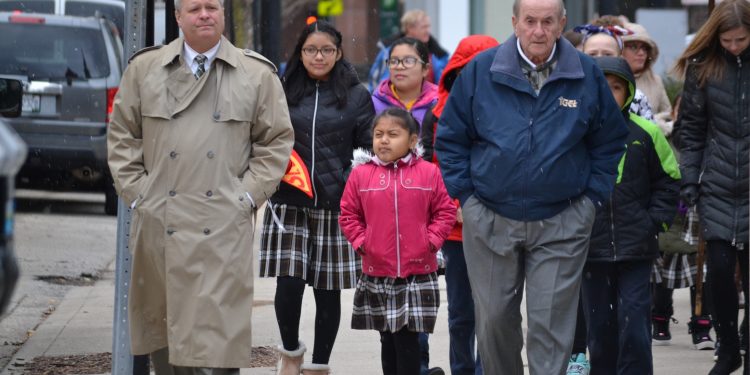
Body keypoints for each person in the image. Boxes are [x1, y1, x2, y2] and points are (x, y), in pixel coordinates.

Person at [433, 0, 629, 372]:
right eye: (530, 21)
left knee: (550, 326)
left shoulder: (586, 74)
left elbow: (609, 142)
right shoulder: (480, 71)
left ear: (562, 23)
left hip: (563, 219)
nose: (538, 31)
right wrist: (467, 197)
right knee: (492, 322)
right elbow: (451, 138)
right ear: (515, 22)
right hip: (489, 216)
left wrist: (590, 202)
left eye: (547, 21)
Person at [106, 0, 295, 371]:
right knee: (168, 346)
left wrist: (246, 197)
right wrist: (139, 195)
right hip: (162, 222)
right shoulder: (146, 69)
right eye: (194, 8)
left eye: (212, 7)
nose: (204, 14)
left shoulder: (255, 74)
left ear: (224, 15)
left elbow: (275, 142)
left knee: (218, 343)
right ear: (178, 17)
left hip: (222, 227)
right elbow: (122, 136)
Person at [257, 21, 374, 375]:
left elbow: (368, 147)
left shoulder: (356, 95)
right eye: (311, 50)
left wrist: (346, 180)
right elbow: (263, 136)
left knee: (328, 290)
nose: (318, 56)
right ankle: (290, 353)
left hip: (334, 206)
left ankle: (320, 365)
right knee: (289, 284)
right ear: (301, 53)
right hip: (288, 202)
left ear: (338, 53)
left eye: (326, 50)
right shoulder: (282, 88)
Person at [339, 107, 456, 375]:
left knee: (406, 337)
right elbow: (348, 214)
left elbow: (445, 211)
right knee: (387, 338)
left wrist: (430, 241)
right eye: (378, 134)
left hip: (417, 271)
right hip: (378, 270)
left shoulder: (428, 172)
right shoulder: (361, 175)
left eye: (393, 134)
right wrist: (362, 243)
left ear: (412, 140)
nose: (383, 140)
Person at [582, 56, 681, 374]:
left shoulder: (646, 133)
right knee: (600, 328)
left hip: (636, 249)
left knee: (635, 325)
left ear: (628, 92)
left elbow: (669, 181)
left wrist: (655, 221)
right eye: (603, 87)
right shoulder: (577, 136)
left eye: (617, 88)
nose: (610, 94)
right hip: (591, 250)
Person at [674, 0, 750, 372]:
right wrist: (690, 178)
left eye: (741, 39)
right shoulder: (702, 68)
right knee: (719, 273)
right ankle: (729, 348)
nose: (734, 46)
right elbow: (690, 129)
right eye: (728, 40)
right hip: (717, 182)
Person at [421, 34, 499, 375]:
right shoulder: (437, 116)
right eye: (468, 70)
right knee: (462, 312)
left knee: (495, 310)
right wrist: (453, 205)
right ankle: (463, 370)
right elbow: (430, 170)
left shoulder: (508, 110)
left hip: (500, 225)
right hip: (456, 229)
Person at [370, 36, 443, 375]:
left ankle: (418, 367)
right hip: (382, 225)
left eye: (407, 60)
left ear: (425, 67)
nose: (399, 67)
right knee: (389, 322)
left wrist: (434, 236)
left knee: (415, 316)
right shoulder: (374, 101)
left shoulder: (440, 102)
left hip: (423, 217)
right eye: (394, 61)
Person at [367, 9, 449, 92]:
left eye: (428, 26)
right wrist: (377, 102)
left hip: (430, 104)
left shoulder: (438, 55)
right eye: (424, 27)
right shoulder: (388, 52)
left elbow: (444, 86)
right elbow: (374, 81)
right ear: (410, 28)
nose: (428, 31)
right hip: (392, 103)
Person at [621, 22, 672, 132]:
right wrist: (650, 121)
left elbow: (669, 115)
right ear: (620, 50)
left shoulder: (655, 80)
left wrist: (658, 122)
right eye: (634, 47)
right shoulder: (612, 79)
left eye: (645, 48)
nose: (641, 53)